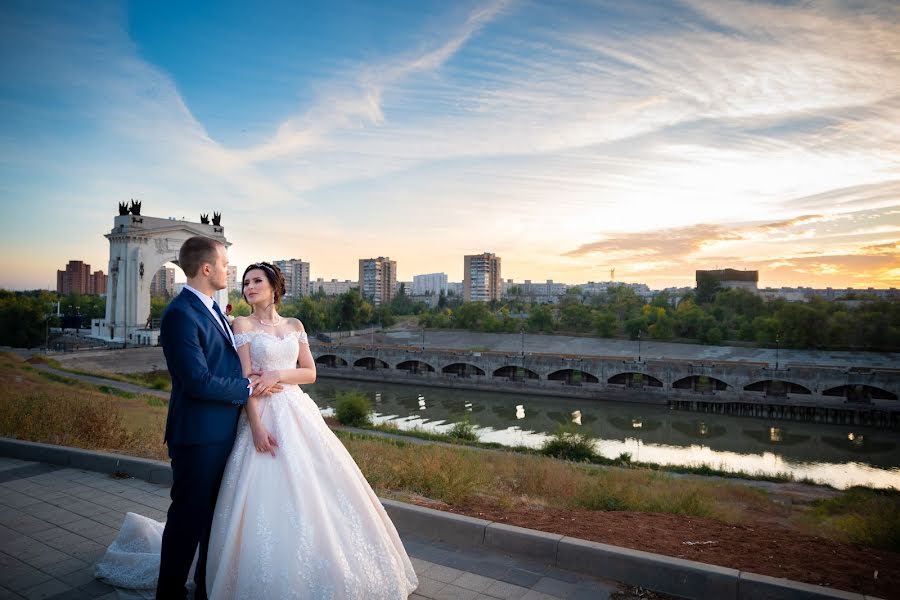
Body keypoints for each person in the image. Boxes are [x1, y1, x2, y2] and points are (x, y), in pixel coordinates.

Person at [204, 261, 417, 598]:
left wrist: (277, 375)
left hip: (297, 410)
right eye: (245, 283)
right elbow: (245, 380)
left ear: (274, 287)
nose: (249, 287)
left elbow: (310, 372)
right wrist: (256, 427)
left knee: (320, 485)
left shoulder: (294, 324)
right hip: (263, 412)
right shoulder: (242, 324)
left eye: (256, 281)